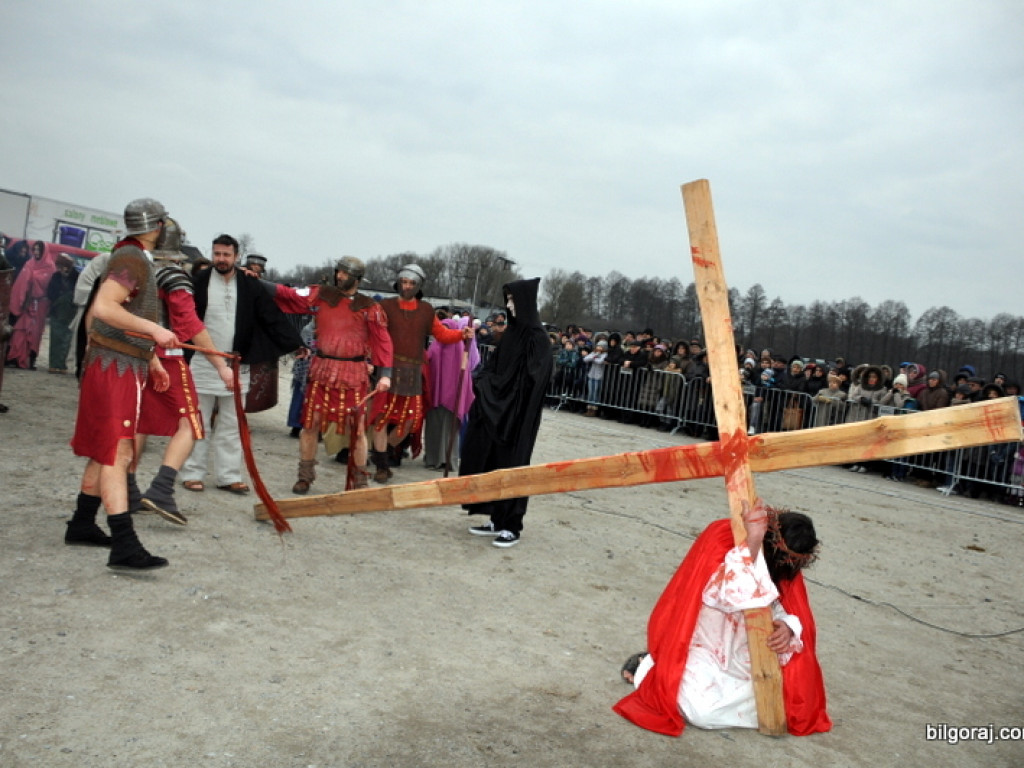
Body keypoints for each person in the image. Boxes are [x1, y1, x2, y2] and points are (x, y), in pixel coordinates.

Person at [614, 501, 830, 737]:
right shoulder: (723, 544)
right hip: (705, 647)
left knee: (783, 703)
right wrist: (754, 541)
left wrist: (789, 627)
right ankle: (648, 665)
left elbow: (779, 605)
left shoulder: (781, 568)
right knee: (702, 713)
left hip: (744, 652)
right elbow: (737, 593)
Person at [67, 198, 180, 570]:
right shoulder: (130, 259)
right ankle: (125, 546)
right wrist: (157, 331)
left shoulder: (131, 257)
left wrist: (150, 358)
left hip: (119, 363)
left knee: (106, 449)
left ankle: (82, 523)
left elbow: (120, 318)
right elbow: (104, 308)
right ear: (156, 226)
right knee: (119, 452)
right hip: (113, 368)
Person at [181, 235, 302, 494]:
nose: (221, 259)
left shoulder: (249, 284)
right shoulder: (199, 282)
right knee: (197, 420)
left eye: (226, 254)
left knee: (233, 422)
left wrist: (295, 344)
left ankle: (228, 476)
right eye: (217, 254)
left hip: (237, 361)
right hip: (204, 360)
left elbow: (271, 317)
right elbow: (182, 317)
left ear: (236, 256)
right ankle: (192, 473)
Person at [134, 218, 234, 525]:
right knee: (191, 422)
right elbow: (188, 324)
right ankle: (161, 489)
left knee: (136, 422)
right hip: (165, 356)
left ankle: (126, 488)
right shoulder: (172, 274)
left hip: (130, 353)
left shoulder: (130, 267)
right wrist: (220, 364)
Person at [272, 256, 393, 494]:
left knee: (357, 430)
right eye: (338, 272)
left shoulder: (370, 306)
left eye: (345, 274)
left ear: (357, 279)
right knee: (310, 425)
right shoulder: (323, 295)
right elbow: (290, 295)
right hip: (323, 369)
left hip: (353, 372)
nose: (339, 277)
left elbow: (383, 341)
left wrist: (385, 374)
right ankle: (305, 476)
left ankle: (360, 481)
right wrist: (255, 282)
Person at [461, 278, 552, 548]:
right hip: (496, 413)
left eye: (513, 300)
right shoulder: (511, 335)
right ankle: (495, 516)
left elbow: (530, 381)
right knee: (491, 461)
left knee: (514, 465)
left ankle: (512, 524)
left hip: (518, 417)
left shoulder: (537, 339)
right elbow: (493, 367)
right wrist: (482, 381)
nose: (509, 305)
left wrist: (494, 389)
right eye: (507, 300)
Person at [369, 264, 471, 483]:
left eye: (411, 283)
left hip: (412, 372)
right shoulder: (385, 306)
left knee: (410, 422)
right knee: (381, 418)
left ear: (418, 285)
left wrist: (461, 334)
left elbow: (442, 334)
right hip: (388, 369)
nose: (406, 286)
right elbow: (373, 334)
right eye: (403, 282)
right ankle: (381, 465)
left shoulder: (425, 310)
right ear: (398, 282)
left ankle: (382, 452)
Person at [422, 314, 478, 471]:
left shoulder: (459, 347)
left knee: (447, 430)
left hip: (451, 398)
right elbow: (427, 363)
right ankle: (432, 458)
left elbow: (464, 374)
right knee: (434, 428)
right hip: (435, 396)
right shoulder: (436, 345)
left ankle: (446, 461)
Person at [6, 240, 55, 370]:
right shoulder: (29, 264)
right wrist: (19, 303)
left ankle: (29, 359)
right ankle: (16, 357)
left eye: (39, 250)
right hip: (27, 305)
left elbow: (51, 287)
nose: (37, 252)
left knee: (35, 334)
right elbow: (21, 285)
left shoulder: (50, 268)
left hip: (41, 306)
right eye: (35, 250)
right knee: (20, 331)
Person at [45, 253, 78, 373]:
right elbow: (50, 292)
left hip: (70, 312)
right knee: (55, 339)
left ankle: (62, 365)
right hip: (57, 311)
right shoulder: (55, 276)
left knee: (66, 340)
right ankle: (53, 364)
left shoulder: (76, 276)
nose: (61, 269)